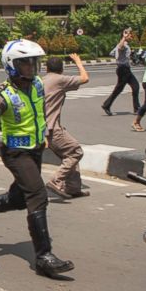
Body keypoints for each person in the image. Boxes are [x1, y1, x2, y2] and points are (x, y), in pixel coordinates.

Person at [0, 39, 74, 278]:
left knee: (19, 199)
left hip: (35, 150)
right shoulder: (1, 96)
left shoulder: (37, 84)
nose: (32, 67)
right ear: (12, 65)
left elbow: (41, 111)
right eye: (25, 63)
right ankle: (44, 256)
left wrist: (45, 134)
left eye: (34, 62)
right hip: (15, 154)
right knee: (38, 195)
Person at [42, 54, 90, 199]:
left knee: (69, 155)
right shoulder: (59, 80)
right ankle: (55, 181)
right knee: (76, 152)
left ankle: (73, 188)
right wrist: (78, 62)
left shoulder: (41, 81)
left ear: (46, 68)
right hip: (52, 128)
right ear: (61, 69)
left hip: (43, 129)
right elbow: (84, 78)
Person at [101, 28, 141, 116]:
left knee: (135, 86)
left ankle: (137, 108)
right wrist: (124, 38)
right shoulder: (123, 45)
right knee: (120, 89)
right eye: (130, 35)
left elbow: (112, 53)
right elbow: (120, 47)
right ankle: (106, 105)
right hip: (123, 69)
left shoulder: (124, 45)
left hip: (125, 69)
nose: (131, 37)